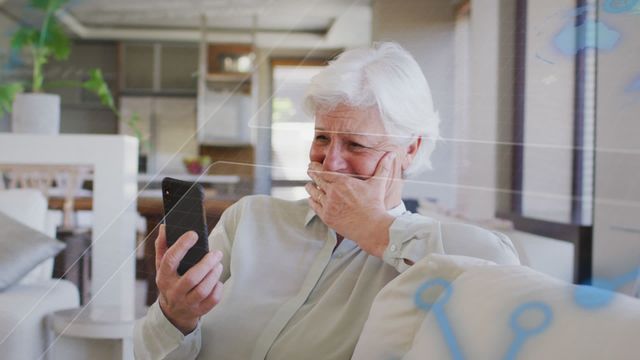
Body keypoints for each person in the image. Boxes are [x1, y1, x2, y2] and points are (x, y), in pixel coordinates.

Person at [133, 42, 519, 360]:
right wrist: (175, 316)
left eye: (355, 144)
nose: (330, 161)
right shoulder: (251, 218)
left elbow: (501, 270)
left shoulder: (430, 252)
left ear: (411, 149)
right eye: (321, 138)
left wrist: (375, 228)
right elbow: (148, 353)